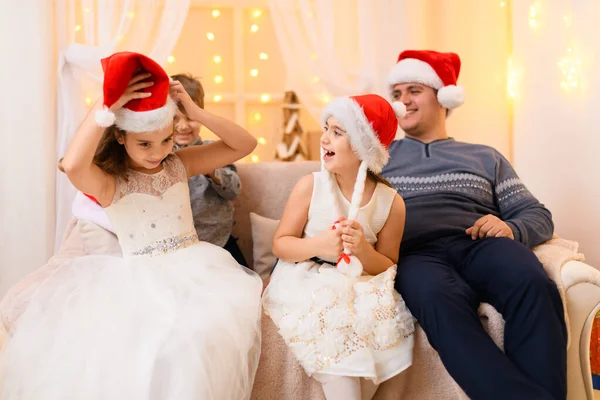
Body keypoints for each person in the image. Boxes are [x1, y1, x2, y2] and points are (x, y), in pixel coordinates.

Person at [0, 52, 262, 400]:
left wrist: (195, 113)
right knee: (145, 349)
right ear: (121, 137)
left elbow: (245, 144)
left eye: (166, 140)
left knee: (199, 339)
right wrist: (104, 107)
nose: (158, 152)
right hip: (141, 279)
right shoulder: (111, 182)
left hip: (198, 270)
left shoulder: (178, 164)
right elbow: (76, 164)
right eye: (145, 144)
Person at [382, 49, 566, 400]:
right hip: (416, 255)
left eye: (414, 90)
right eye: (396, 94)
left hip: (480, 245)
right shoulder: (379, 158)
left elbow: (537, 214)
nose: (403, 100)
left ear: (444, 97)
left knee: (532, 281)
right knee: (435, 297)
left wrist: (510, 229)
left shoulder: (484, 156)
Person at [263, 94, 415, 400]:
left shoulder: (391, 203)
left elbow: (388, 264)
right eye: (326, 129)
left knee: (388, 348)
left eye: (337, 132)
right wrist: (318, 244)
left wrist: (362, 250)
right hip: (306, 277)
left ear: (363, 146)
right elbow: (281, 244)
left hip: (360, 284)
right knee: (339, 347)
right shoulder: (311, 185)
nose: (324, 139)